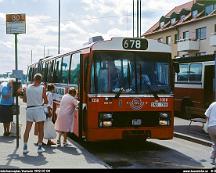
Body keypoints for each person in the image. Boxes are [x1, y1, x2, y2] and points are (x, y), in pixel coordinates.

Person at [23, 73, 48, 154]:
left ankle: (25, 147)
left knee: (27, 129)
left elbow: (24, 100)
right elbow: (46, 100)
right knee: (41, 130)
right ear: (40, 80)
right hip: (38, 109)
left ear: (33, 79)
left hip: (29, 110)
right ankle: (40, 147)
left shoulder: (27, 88)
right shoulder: (42, 88)